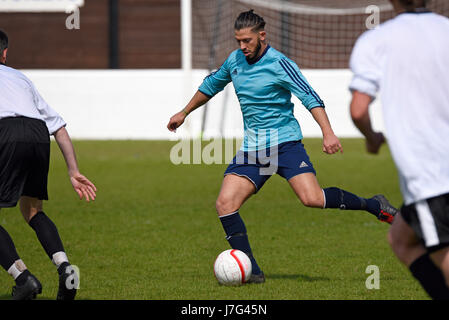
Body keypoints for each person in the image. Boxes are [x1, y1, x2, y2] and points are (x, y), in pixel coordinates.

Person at [168, 10, 398, 283]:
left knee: (312, 199)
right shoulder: (235, 61)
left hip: (285, 144)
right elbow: (211, 85)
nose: (242, 46)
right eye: (238, 41)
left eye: (247, 41)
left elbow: (310, 97)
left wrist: (328, 133)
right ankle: (251, 270)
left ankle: (374, 205)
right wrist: (184, 112)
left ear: (262, 36)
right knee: (225, 203)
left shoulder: (281, 64)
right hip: (254, 150)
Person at [349, 0, 449, 299]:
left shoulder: (377, 40)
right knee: (401, 238)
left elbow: (358, 110)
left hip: (432, 174)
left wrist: (371, 136)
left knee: (444, 254)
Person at [0, 30, 97, 300]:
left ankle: (23, 278)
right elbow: (59, 127)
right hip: (36, 133)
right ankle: (66, 268)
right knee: (32, 209)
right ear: (5, 54)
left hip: (5, 132)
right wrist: (73, 170)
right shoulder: (20, 77)